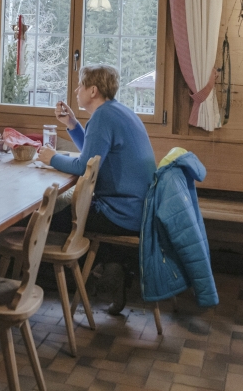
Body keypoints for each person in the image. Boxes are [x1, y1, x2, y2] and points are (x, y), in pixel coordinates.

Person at [36, 64, 155, 313]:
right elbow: (94, 157)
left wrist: (51, 157)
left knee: (43, 219)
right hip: (138, 209)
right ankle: (113, 266)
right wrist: (72, 124)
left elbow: (82, 166)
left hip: (120, 214)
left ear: (92, 90)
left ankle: (47, 284)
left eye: (80, 85)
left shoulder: (102, 117)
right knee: (64, 212)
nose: (76, 90)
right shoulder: (116, 111)